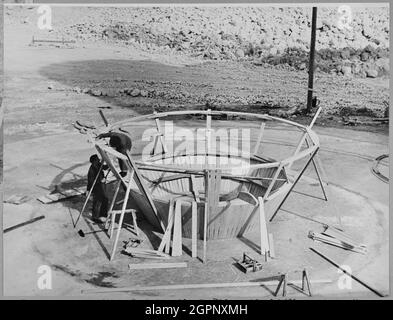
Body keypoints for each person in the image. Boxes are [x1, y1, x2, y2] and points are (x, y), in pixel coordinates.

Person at [87, 154, 108, 223]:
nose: (99, 160)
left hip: (101, 185)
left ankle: (103, 215)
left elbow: (104, 167)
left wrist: (108, 164)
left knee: (104, 199)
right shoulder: (91, 170)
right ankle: (95, 217)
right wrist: (100, 181)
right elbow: (91, 182)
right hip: (97, 187)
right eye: (97, 160)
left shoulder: (98, 164)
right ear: (94, 161)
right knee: (98, 201)